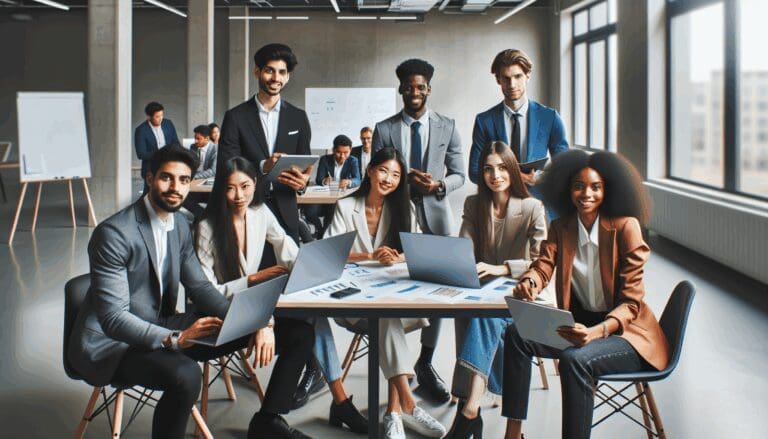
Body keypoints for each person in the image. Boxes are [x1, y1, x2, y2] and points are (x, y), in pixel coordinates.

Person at [67, 144, 315, 439]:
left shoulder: (181, 224)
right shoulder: (114, 234)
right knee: (186, 375)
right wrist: (176, 339)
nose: (176, 188)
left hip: (167, 328)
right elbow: (114, 319)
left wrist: (261, 321)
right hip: (115, 346)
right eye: (166, 178)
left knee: (298, 333)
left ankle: (267, 422)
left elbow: (200, 288)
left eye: (184, 180)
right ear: (149, 178)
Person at [501, 150, 670, 439]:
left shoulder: (626, 227)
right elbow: (543, 265)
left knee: (574, 360)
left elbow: (631, 303)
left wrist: (596, 333)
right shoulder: (560, 227)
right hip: (579, 328)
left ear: (608, 190)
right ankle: (513, 433)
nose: (586, 193)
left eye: (596, 186)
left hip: (625, 335)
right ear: (568, 189)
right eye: (578, 186)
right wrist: (530, 281)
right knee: (517, 335)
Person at [195, 156, 367, 435]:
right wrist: (253, 282)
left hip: (250, 310)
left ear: (255, 184)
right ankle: (321, 407)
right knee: (302, 329)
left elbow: (288, 252)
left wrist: (319, 268)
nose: (239, 195)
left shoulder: (259, 212)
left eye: (245, 186)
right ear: (219, 189)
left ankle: (268, 420)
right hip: (217, 317)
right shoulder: (207, 226)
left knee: (303, 333)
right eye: (230, 188)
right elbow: (206, 291)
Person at [325, 148, 446, 439]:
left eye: (395, 174)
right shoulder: (346, 206)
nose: (389, 179)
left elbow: (415, 253)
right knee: (386, 317)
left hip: (390, 293)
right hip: (352, 301)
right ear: (370, 171)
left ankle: (394, 412)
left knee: (387, 314)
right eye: (383, 171)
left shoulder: (405, 209)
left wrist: (399, 258)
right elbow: (329, 252)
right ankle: (406, 403)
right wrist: (369, 255)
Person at [372, 58, 466, 404]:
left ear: (429, 88)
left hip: (437, 219)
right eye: (409, 86)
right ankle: (397, 366)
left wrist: (439, 185)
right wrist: (403, 186)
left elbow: (460, 174)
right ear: (401, 89)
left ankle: (425, 362)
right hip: (398, 218)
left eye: (421, 86)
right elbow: (379, 175)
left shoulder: (448, 125)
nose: (415, 92)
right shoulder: (384, 128)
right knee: (394, 287)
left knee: (440, 292)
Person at [444, 141, 547, 438]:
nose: (495, 175)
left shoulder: (532, 207)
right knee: (480, 313)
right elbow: (464, 247)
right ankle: (470, 412)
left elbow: (542, 261)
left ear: (512, 170)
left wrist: (504, 268)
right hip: (483, 292)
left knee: (483, 316)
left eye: (502, 168)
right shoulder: (474, 205)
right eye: (488, 169)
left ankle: (468, 412)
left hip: (523, 293)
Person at [218, 43, 313, 246]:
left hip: (286, 211)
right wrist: (263, 166)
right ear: (257, 72)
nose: (275, 78)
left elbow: (304, 164)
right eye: (269, 70)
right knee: (253, 274)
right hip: (247, 208)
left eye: (282, 72)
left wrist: (303, 184)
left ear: (287, 77)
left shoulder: (298, 117)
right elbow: (226, 165)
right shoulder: (235, 117)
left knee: (289, 272)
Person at [468, 49, 568, 220]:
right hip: (497, 209)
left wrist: (539, 178)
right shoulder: (484, 121)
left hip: (538, 206)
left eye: (518, 76)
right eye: (506, 78)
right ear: (498, 79)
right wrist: (515, 177)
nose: (512, 84)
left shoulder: (549, 117)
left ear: (528, 75)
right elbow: (474, 171)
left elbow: (565, 166)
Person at [303, 134, 361, 238]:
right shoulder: (324, 159)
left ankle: (323, 234)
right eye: (339, 152)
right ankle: (320, 231)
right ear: (333, 150)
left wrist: (348, 182)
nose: (342, 156)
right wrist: (325, 181)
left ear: (350, 150)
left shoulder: (353, 160)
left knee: (332, 214)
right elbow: (319, 179)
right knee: (309, 211)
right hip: (323, 198)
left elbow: (358, 180)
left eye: (346, 153)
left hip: (338, 199)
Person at [135, 101, 179, 193]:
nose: (161, 119)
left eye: (162, 115)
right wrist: (162, 153)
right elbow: (141, 154)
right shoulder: (141, 130)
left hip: (169, 167)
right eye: (157, 116)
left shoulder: (168, 124)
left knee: (170, 195)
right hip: (151, 170)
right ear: (149, 117)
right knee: (149, 197)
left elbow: (176, 143)